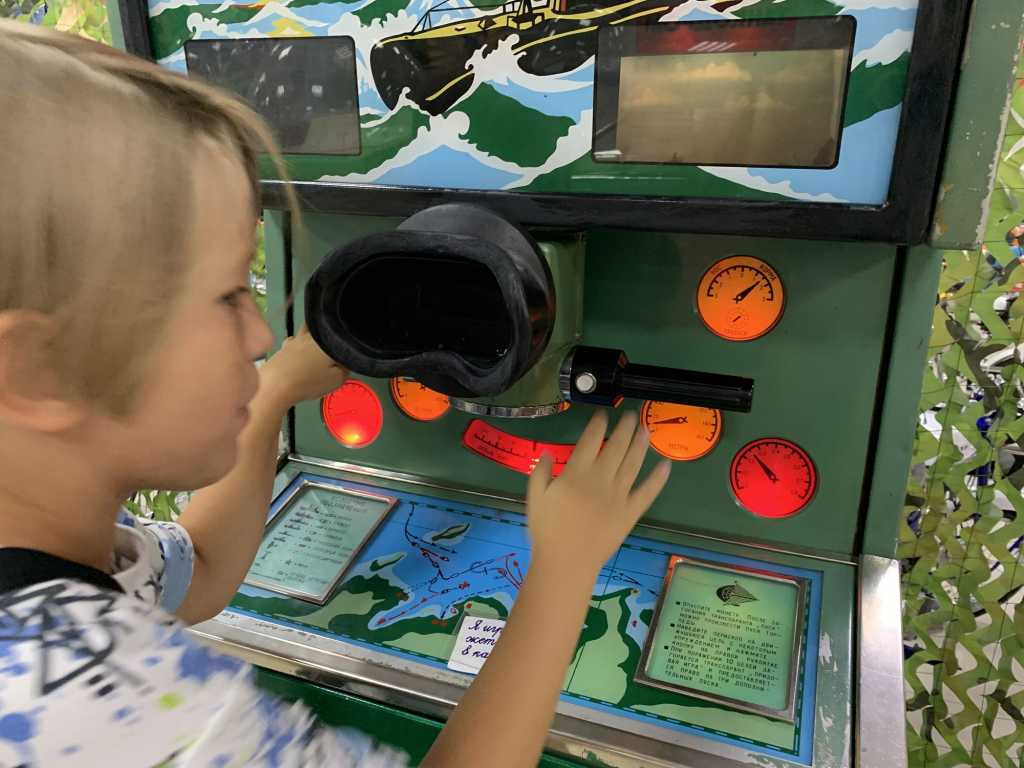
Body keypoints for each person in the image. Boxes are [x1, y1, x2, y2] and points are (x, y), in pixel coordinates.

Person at [0, 21, 671, 767]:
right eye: (225, 297)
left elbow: (197, 569)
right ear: (37, 370)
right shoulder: (108, 705)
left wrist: (274, 392)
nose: (260, 333)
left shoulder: (60, 569)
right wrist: (566, 567)